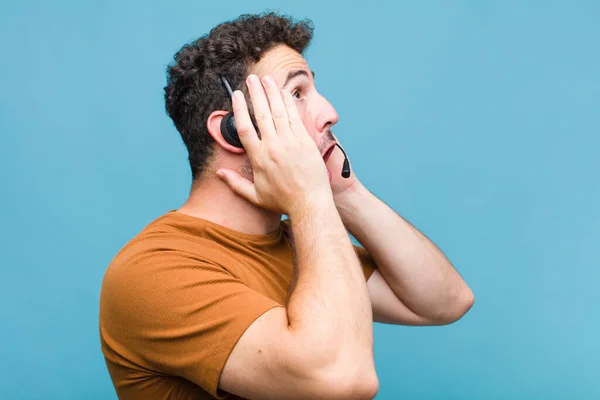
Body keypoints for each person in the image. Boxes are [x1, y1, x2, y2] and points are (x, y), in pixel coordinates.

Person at [99, 12, 474, 400]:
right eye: (297, 93)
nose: (330, 113)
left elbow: (444, 301)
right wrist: (310, 198)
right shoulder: (153, 272)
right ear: (234, 131)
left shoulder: (302, 241)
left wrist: (345, 195)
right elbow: (344, 379)